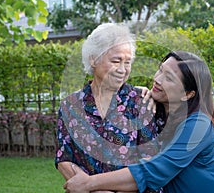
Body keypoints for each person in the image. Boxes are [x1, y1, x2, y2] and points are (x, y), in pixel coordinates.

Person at [63, 51, 214, 193]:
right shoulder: (154, 109)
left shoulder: (198, 125)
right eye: (160, 70)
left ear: (188, 94)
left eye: (168, 78)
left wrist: (88, 183)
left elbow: (155, 170)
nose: (157, 79)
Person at [55, 23, 166, 192]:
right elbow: (64, 157)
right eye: (116, 61)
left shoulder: (141, 102)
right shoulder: (70, 105)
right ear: (93, 59)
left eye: (127, 62)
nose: (122, 69)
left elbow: (149, 164)